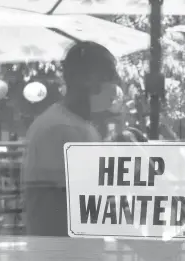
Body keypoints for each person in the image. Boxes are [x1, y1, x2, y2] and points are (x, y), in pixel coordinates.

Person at [22, 41, 122, 237]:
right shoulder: (62, 129)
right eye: (109, 75)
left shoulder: (77, 125)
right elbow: (90, 205)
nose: (116, 81)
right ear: (85, 79)